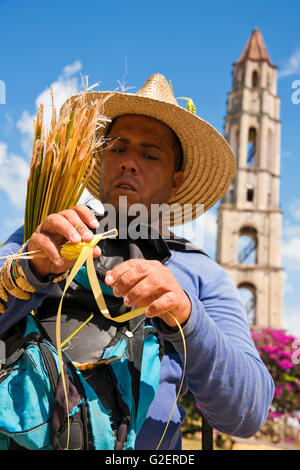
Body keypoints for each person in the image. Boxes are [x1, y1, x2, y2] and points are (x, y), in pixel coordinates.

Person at [0, 73, 274, 450]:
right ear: (101, 159)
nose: (129, 162)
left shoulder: (198, 271)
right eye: (116, 147)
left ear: (176, 182)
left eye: (149, 154)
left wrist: (187, 317)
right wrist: (30, 269)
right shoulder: (45, 234)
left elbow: (248, 411)